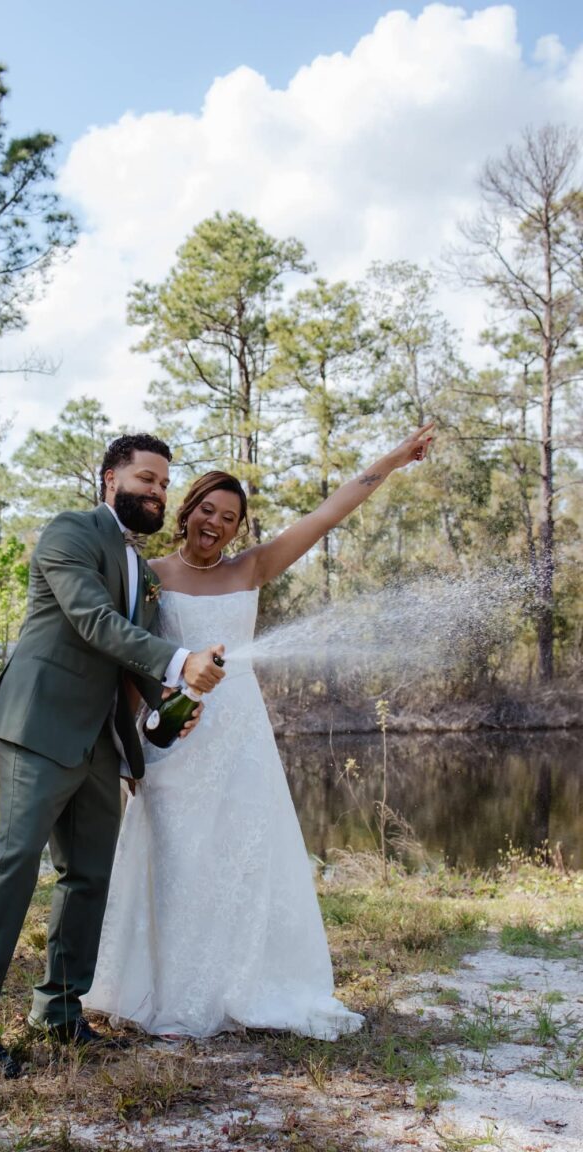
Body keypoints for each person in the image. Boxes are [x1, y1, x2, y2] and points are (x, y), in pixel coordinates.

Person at [84, 424, 435, 1039]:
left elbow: (327, 514)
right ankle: (172, 992)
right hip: (175, 738)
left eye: (229, 517)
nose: (215, 524)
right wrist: (138, 743)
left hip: (242, 738)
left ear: (239, 528)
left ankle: (240, 984)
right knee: (177, 862)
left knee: (241, 861)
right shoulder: (149, 574)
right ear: (185, 511)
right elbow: (131, 663)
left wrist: (396, 457)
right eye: (206, 510)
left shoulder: (252, 569)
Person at [0, 433, 225, 1076]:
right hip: (41, 724)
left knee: (89, 875)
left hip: (101, 735)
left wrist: (167, 703)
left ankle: (60, 1011)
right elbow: (93, 621)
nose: (157, 491)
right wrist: (182, 660)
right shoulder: (69, 532)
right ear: (109, 479)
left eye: (163, 484)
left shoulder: (143, 572)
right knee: (13, 864)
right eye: (146, 479)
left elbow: (137, 646)